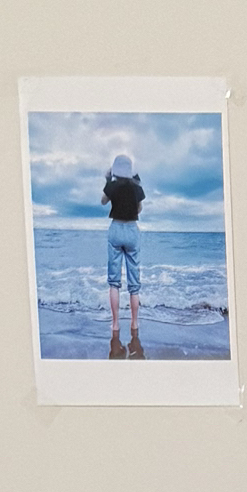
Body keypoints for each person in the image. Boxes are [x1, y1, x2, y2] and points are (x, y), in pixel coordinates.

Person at [102, 153, 145, 357]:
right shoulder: (136, 187)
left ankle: (115, 324)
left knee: (114, 281)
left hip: (116, 229)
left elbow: (103, 201)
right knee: (134, 283)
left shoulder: (113, 185)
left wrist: (107, 179)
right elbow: (139, 208)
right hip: (132, 230)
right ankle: (134, 323)